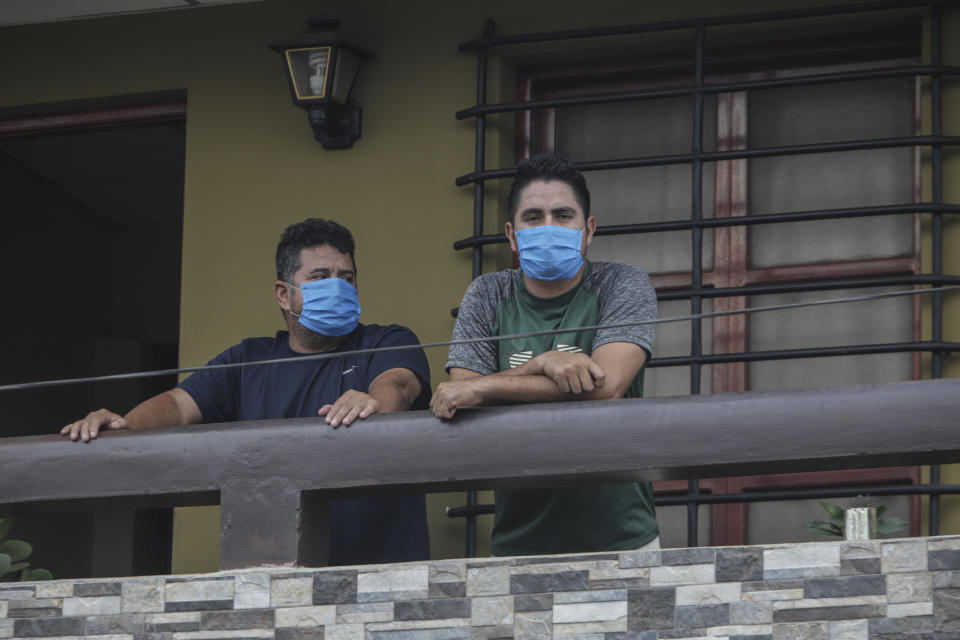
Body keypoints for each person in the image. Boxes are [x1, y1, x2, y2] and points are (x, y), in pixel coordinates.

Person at [61, 218, 431, 565]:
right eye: (320, 277)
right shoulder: (248, 360)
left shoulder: (387, 340)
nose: (337, 287)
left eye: (346, 278)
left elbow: (397, 383)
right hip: (270, 578)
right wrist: (125, 425)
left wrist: (375, 403)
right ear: (283, 294)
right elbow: (178, 404)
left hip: (383, 575)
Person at [431, 152, 659, 556]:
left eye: (563, 215)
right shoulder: (488, 294)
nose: (548, 227)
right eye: (533, 217)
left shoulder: (622, 283)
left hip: (623, 538)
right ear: (512, 234)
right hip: (518, 540)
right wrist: (542, 364)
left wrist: (492, 388)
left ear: (588, 230)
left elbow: (606, 387)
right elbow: (460, 396)